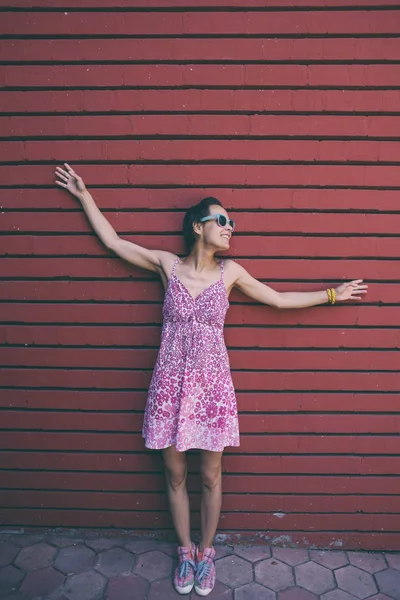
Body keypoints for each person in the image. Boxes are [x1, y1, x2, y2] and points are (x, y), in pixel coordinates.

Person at [55, 163, 368, 596]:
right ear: (198, 227)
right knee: (175, 474)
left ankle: (207, 553)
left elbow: (277, 300)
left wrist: (332, 294)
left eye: (231, 223)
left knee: (211, 476)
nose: (229, 228)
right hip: (169, 386)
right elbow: (113, 242)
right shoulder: (168, 266)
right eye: (222, 220)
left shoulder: (231, 273)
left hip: (212, 389)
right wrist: (84, 195)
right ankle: (185, 552)